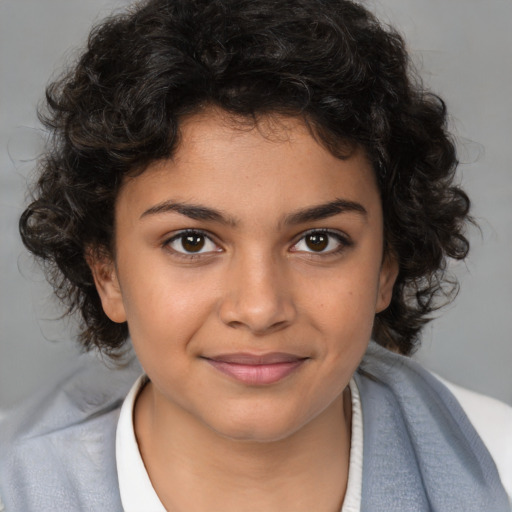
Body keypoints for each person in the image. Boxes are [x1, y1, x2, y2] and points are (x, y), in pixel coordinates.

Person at [0, 0, 510, 510]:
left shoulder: (499, 467)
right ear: (106, 273)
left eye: (318, 240)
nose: (260, 308)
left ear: (386, 265)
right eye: (192, 241)